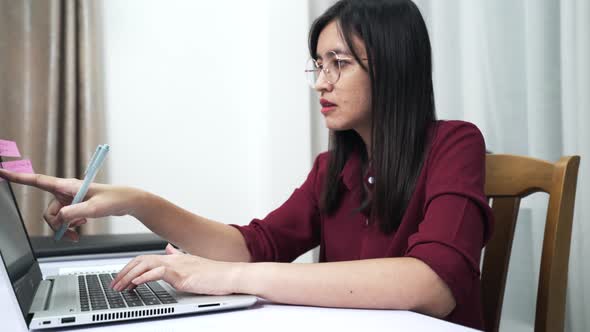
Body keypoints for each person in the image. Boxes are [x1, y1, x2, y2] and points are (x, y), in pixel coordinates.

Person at [0, 0, 493, 329]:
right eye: (317, 65)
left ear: (393, 65)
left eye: (338, 63)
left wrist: (225, 278)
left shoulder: (455, 144)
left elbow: (432, 284)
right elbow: (255, 246)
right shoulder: (332, 169)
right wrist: (136, 202)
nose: (321, 82)